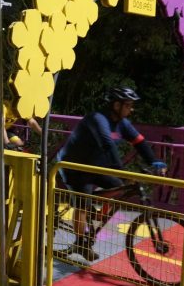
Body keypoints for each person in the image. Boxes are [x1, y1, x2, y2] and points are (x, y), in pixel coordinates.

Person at [55, 86, 167, 261]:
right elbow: (108, 145)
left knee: (119, 187)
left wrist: (155, 161)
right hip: (74, 166)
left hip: (96, 166)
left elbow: (140, 143)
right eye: (128, 105)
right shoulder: (97, 119)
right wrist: (123, 172)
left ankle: (95, 213)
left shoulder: (123, 123)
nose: (131, 109)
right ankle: (81, 243)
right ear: (116, 105)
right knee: (83, 203)